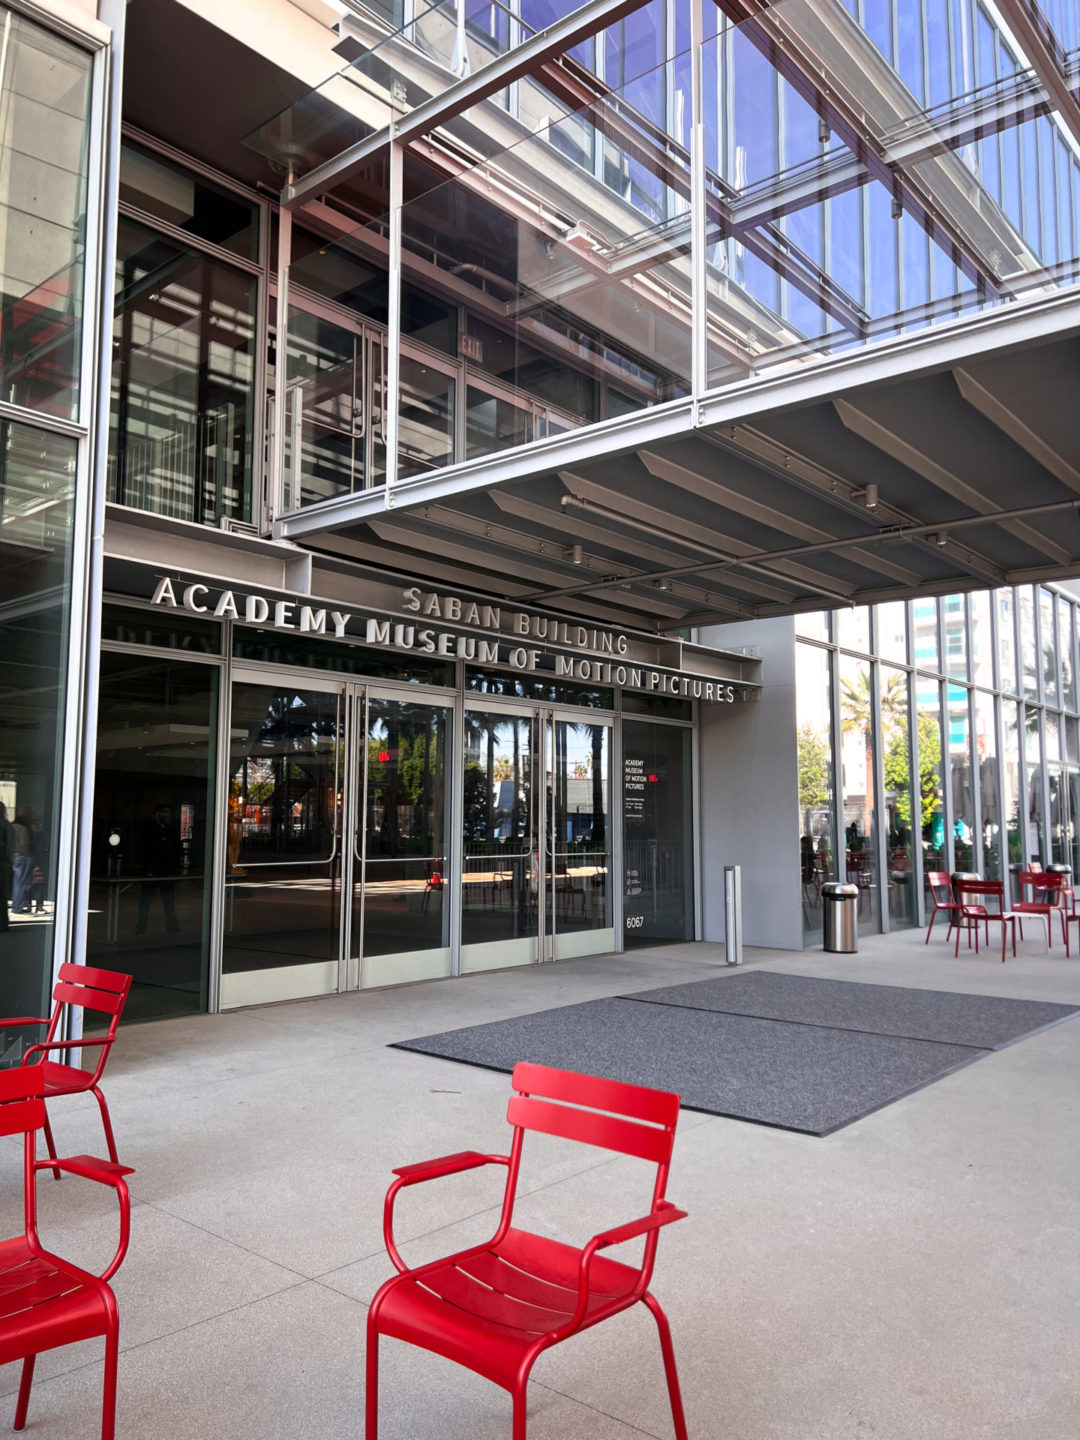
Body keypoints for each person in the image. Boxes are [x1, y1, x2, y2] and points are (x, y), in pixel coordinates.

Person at [136, 803, 183, 938]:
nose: (167, 815)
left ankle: (172, 926)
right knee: (146, 900)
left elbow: (177, 847)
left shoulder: (170, 829)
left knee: (168, 900)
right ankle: (140, 928)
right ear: (157, 814)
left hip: (167, 870)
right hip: (152, 869)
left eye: (168, 812)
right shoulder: (148, 829)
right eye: (164, 812)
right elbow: (145, 849)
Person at [10, 807, 32, 915]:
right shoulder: (22, 829)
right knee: (20, 882)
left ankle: (15, 905)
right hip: (21, 855)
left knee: (15, 882)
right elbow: (24, 843)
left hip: (11, 855)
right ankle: (18, 907)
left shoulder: (10, 827)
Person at [0, 803, 13, 932]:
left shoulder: (3, 826)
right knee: (2, 895)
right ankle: (3, 923)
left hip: (2, 861)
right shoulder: (7, 825)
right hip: (5, 862)